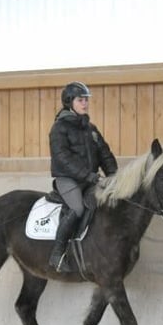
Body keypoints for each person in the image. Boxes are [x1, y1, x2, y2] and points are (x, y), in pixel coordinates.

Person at [48, 81, 118, 272]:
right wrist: (89, 176)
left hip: (90, 179)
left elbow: (105, 153)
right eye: (81, 100)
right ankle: (58, 254)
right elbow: (63, 159)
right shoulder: (59, 129)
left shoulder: (91, 129)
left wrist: (113, 175)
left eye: (86, 100)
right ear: (70, 102)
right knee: (78, 208)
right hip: (68, 180)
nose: (85, 104)